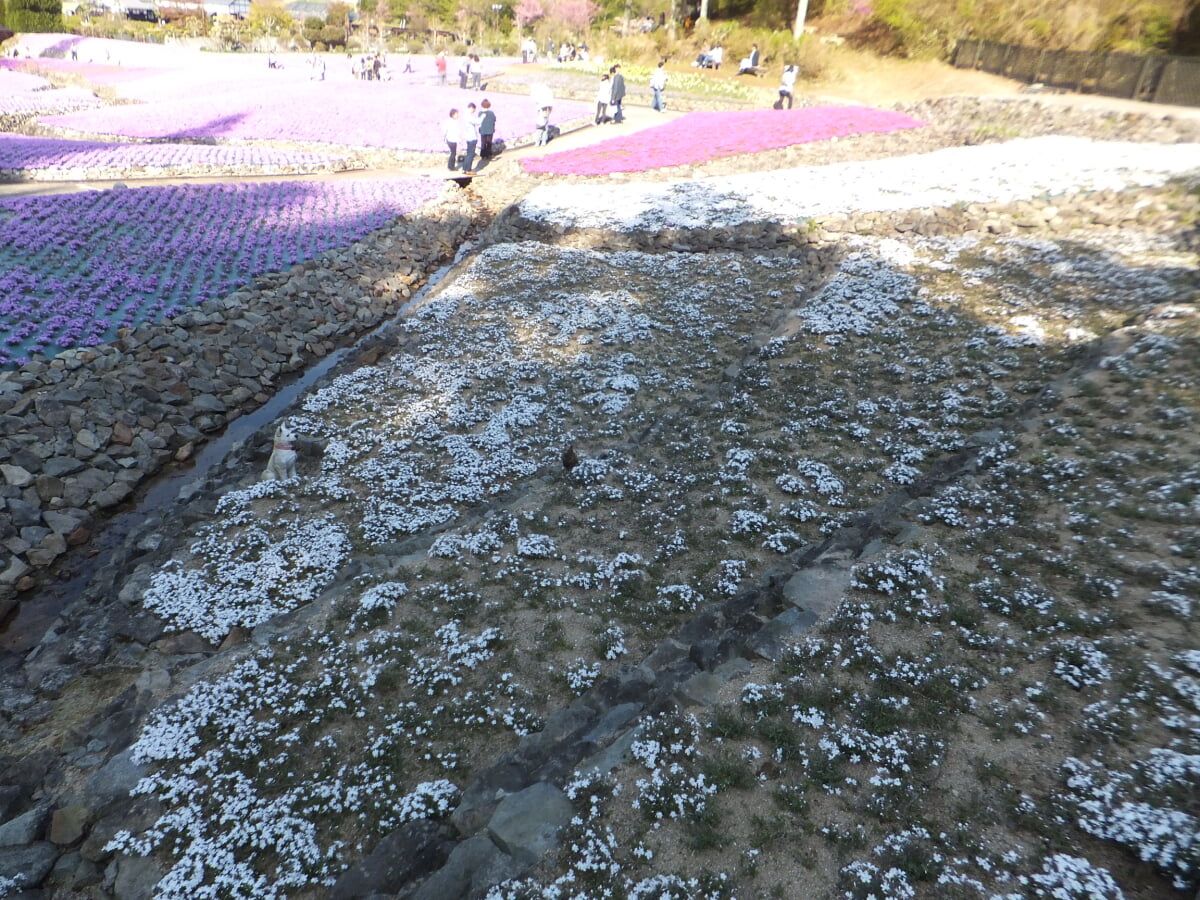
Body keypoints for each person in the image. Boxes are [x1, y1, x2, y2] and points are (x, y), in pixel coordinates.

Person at [460, 103, 479, 173]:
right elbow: (476, 122)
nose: (474, 111)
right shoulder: (468, 115)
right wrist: (482, 117)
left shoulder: (465, 115)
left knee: (468, 153)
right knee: (471, 154)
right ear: (472, 108)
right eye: (474, 109)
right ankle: (468, 170)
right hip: (472, 137)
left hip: (468, 137)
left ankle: (464, 169)